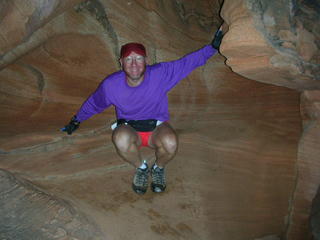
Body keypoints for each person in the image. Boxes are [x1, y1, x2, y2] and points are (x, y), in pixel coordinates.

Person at [62, 27, 223, 195]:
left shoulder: (160, 74)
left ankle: (158, 168)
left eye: (138, 58)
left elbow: (187, 63)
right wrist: (76, 120)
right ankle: (141, 168)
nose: (134, 64)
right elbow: (94, 103)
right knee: (120, 138)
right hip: (129, 129)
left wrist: (212, 48)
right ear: (121, 62)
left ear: (146, 60)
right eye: (128, 59)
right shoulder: (111, 85)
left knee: (171, 142)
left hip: (157, 128)